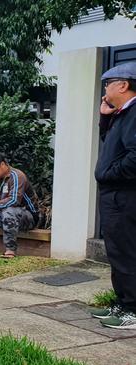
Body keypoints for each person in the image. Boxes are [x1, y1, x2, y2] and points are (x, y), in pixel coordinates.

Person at [88, 62, 136, 330]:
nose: (105, 89)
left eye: (108, 83)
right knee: (116, 252)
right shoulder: (122, 114)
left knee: (126, 251)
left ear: (123, 85)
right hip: (114, 194)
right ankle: (123, 302)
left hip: (124, 195)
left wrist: (108, 173)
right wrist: (105, 117)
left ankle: (132, 309)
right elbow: (111, 144)